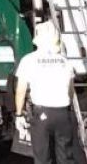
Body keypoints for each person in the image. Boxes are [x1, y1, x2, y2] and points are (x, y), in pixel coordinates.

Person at [14, 21, 77, 164]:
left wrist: (19, 114)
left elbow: (21, 90)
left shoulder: (29, 60)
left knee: (42, 158)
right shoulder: (64, 61)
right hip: (63, 114)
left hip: (42, 114)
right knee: (66, 157)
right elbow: (71, 90)